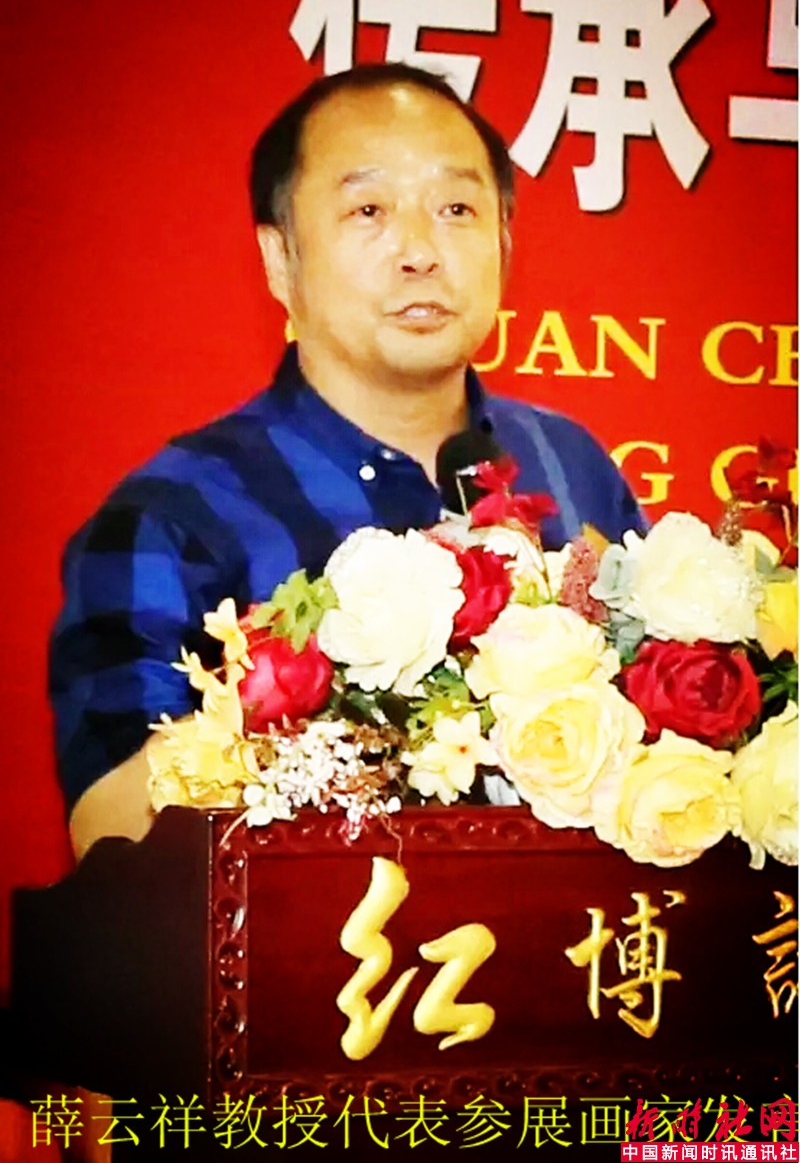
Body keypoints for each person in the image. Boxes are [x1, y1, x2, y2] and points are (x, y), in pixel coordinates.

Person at [50, 63, 646, 859]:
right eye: (369, 210)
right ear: (280, 259)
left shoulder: (570, 467)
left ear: (505, 243)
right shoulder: (174, 517)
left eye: (457, 209)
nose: (421, 251)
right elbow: (113, 836)